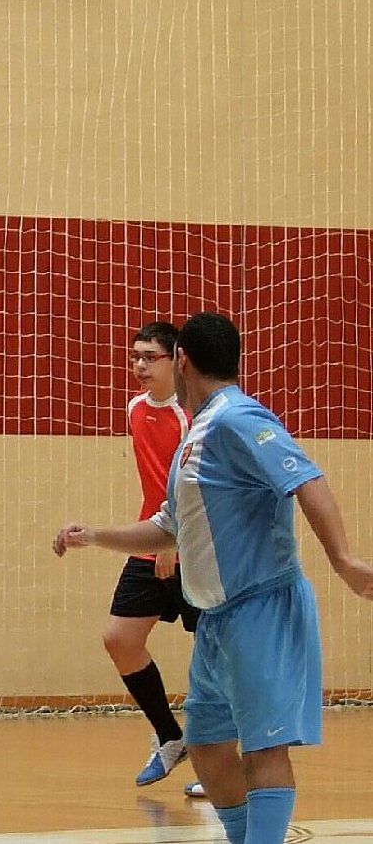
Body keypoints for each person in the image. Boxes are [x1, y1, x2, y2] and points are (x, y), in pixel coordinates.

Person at [53, 312, 373, 844]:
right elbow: (168, 527)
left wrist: (343, 559)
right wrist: (96, 536)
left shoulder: (238, 419)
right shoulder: (196, 434)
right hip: (218, 618)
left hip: (261, 607)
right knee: (205, 744)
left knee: (264, 747)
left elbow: (306, 477)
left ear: (182, 360)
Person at [88, 322, 202, 791]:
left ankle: (227, 761)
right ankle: (170, 737)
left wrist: (172, 544)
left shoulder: (193, 415)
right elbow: (157, 485)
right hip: (150, 536)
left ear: (176, 361)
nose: (138, 365)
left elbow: (191, 488)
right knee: (120, 639)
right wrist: (156, 541)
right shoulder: (135, 409)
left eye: (149, 357)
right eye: (134, 356)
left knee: (218, 654)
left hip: (194, 546)